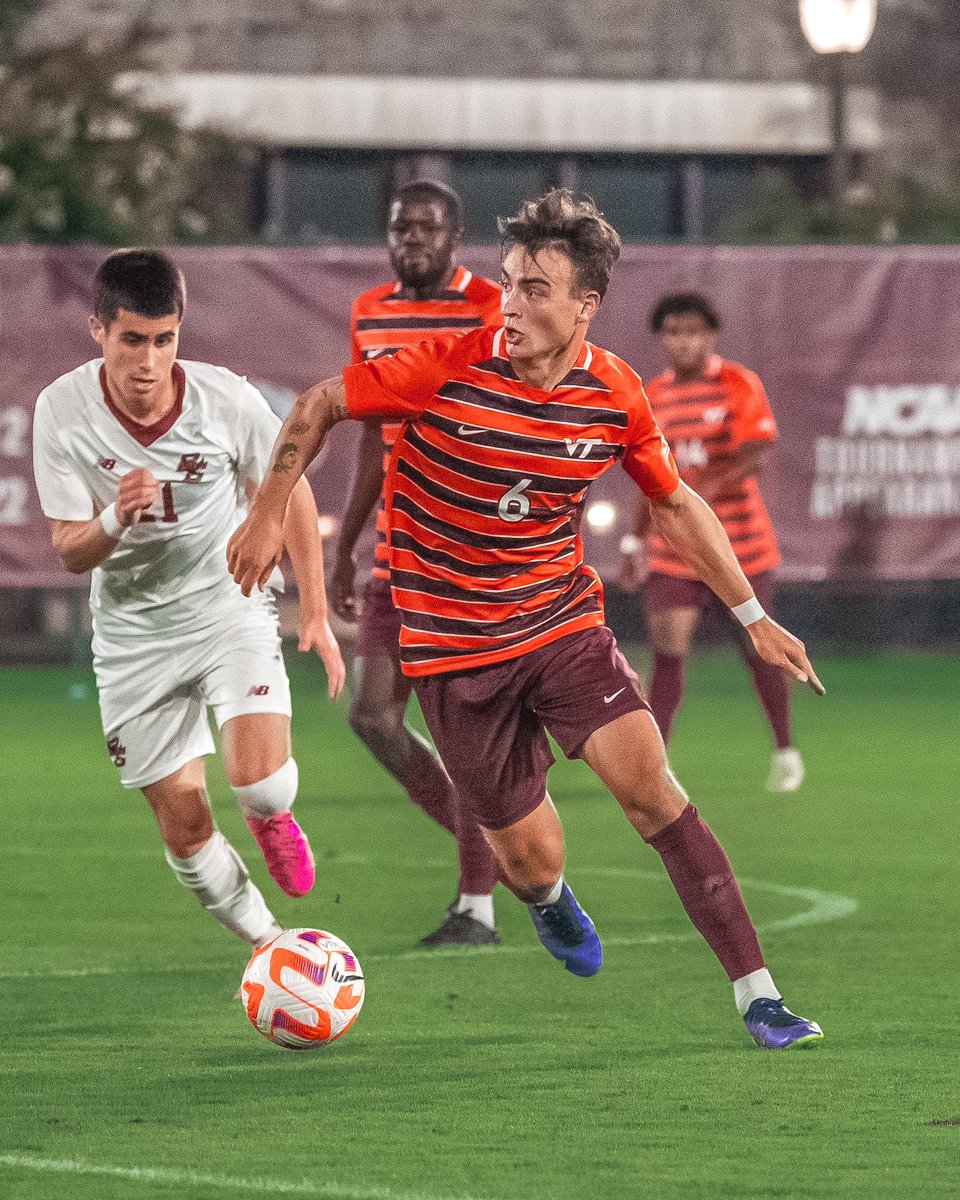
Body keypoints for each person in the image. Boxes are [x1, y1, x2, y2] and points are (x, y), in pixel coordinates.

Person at [229, 189, 826, 1050]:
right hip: (453, 654)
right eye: (509, 283)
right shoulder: (446, 365)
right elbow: (322, 402)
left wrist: (752, 613)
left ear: (586, 303)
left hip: (559, 628)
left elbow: (676, 503)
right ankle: (546, 899)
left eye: (536, 289)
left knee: (653, 791)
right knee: (529, 861)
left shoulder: (616, 391)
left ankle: (760, 995)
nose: (511, 303)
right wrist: (265, 514)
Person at [32, 249, 345, 957]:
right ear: (98, 330)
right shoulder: (62, 409)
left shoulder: (224, 399)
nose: (149, 360)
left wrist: (317, 609)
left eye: (164, 339)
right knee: (183, 823)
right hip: (131, 634)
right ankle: (273, 947)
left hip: (226, 606)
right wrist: (115, 517)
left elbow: (289, 488)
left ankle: (271, 819)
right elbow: (67, 548)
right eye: (132, 339)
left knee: (260, 786)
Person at [330, 179, 505, 946]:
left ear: (456, 237)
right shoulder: (372, 312)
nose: (413, 239)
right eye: (402, 227)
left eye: (428, 228)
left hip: (464, 554)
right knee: (372, 716)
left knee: (460, 730)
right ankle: (492, 846)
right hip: (397, 547)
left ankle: (477, 905)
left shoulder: (493, 307)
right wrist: (344, 544)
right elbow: (372, 429)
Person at [619, 292, 803, 792]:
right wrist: (634, 542)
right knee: (667, 654)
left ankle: (785, 750)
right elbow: (646, 474)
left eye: (693, 332)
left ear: (711, 335)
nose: (683, 341)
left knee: (758, 649)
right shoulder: (652, 395)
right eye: (674, 332)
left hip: (741, 548)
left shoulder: (738, 383)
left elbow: (756, 451)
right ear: (663, 338)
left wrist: (692, 494)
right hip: (673, 551)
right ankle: (655, 768)